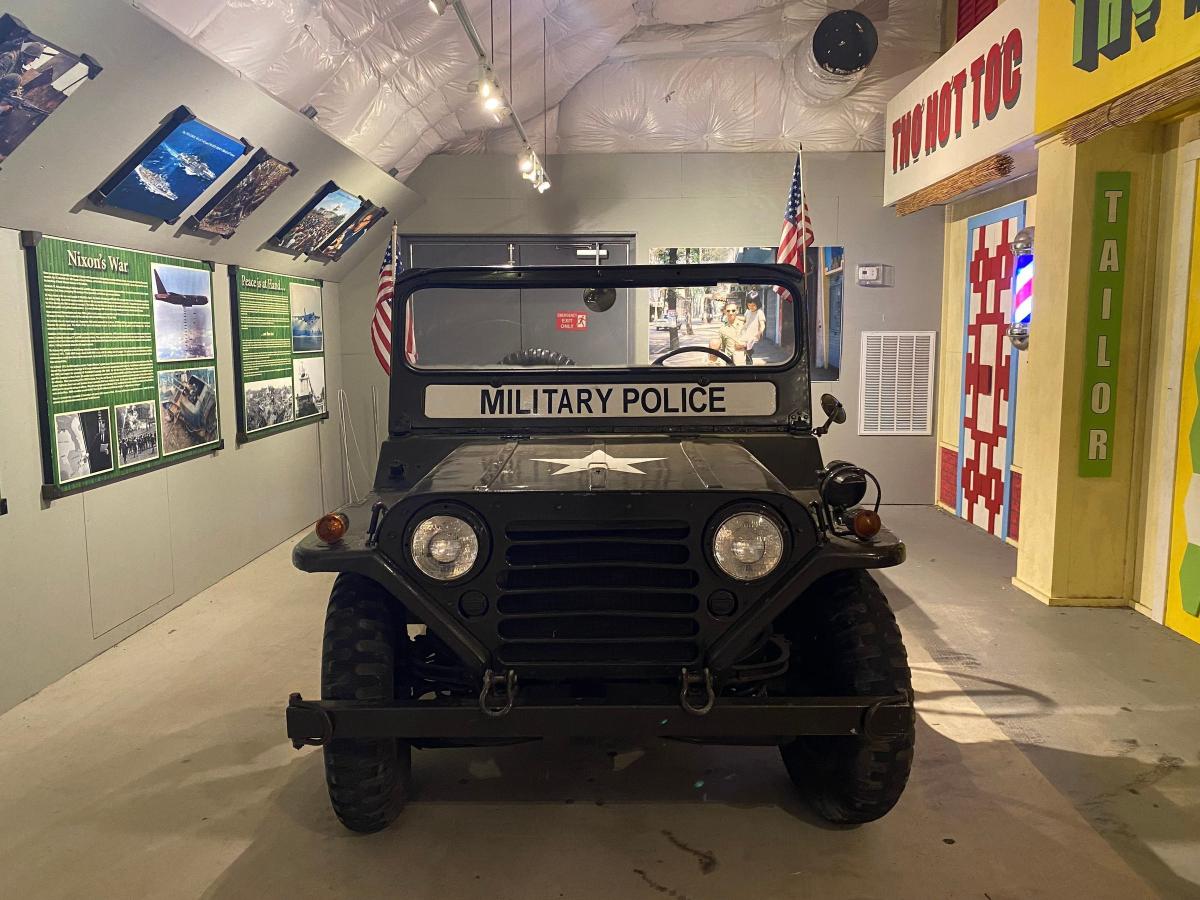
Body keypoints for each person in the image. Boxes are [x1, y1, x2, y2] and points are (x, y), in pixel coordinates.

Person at [740, 295, 766, 365]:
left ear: (757, 304)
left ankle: (749, 361)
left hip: (753, 334)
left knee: (748, 347)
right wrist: (736, 317)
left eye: (753, 305)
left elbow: (762, 324)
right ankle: (748, 357)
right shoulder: (747, 311)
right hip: (745, 332)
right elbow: (745, 319)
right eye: (749, 305)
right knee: (743, 347)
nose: (751, 307)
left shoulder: (759, 313)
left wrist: (760, 332)